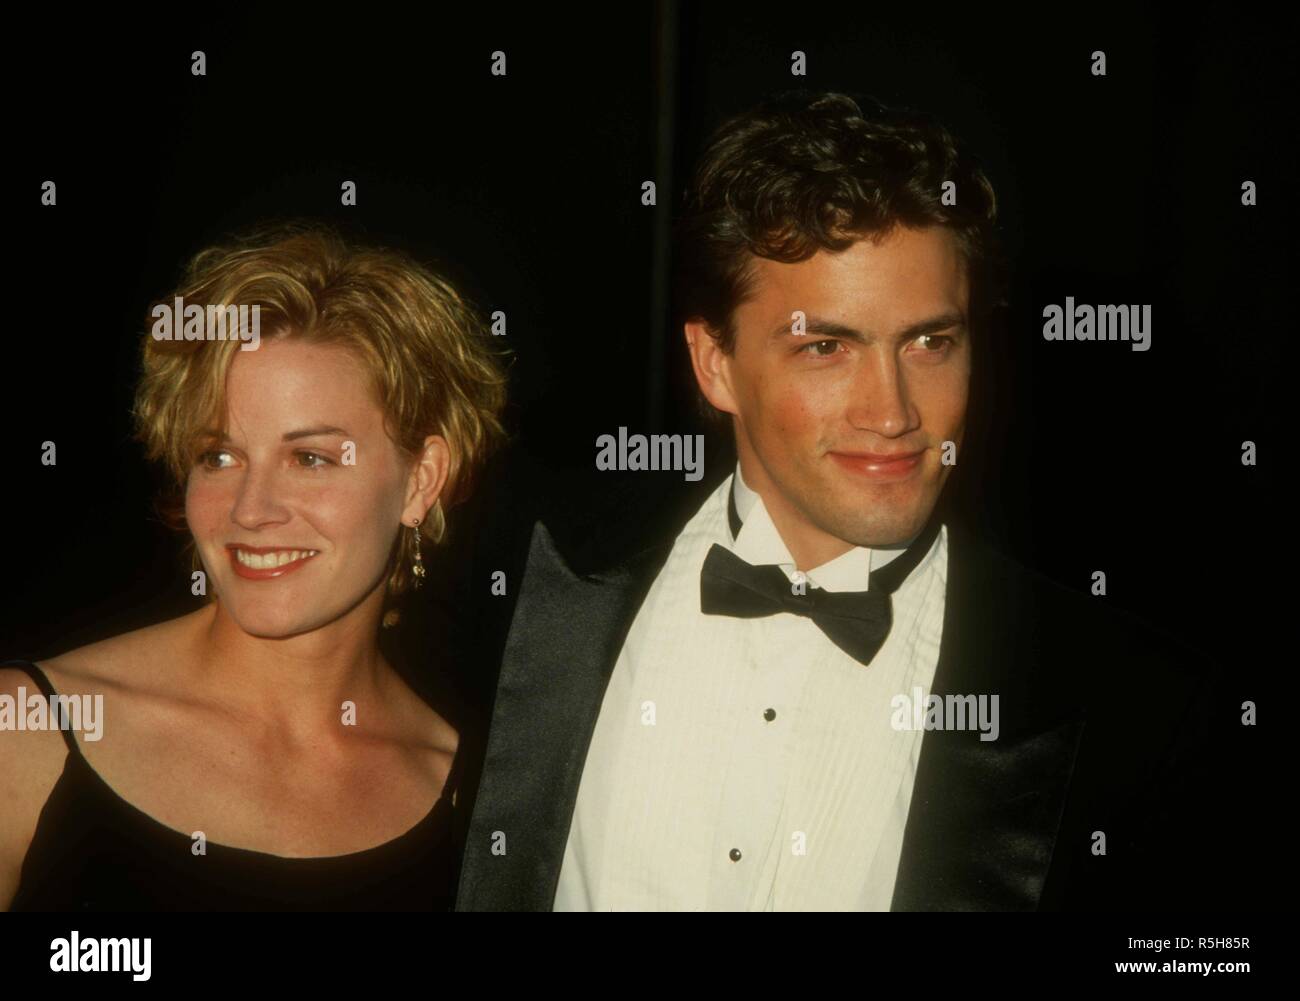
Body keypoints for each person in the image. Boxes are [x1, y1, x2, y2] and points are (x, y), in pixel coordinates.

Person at [453, 91, 1229, 911]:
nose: (892, 413)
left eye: (930, 342)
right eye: (826, 347)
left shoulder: (1129, 701)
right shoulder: (521, 578)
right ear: (714, 363)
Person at [0, 223, 508, 910]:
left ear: (421, 481)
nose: (250, 507)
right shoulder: (24, 733)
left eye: (311, 458)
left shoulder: (482, 804)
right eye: (219, 455)